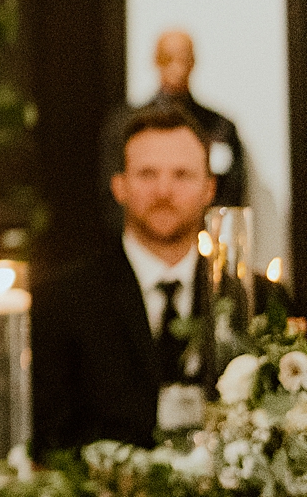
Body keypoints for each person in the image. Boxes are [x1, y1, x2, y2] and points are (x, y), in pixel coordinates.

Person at [35, 104, 236, 454]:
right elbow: (51, 439)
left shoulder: (254, 301)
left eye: (182, 175)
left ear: (209, 189)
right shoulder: (62, 303)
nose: (163, 190)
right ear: (119, 186)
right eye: (147, 174)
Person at [98, 30, 246, 231]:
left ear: (193, 62)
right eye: (168, 58)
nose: (176, 66)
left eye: (184, 58)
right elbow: (110, 193)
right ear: (155, 61)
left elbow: (232, 192)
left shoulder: (220, 126)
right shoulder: (123, 125)